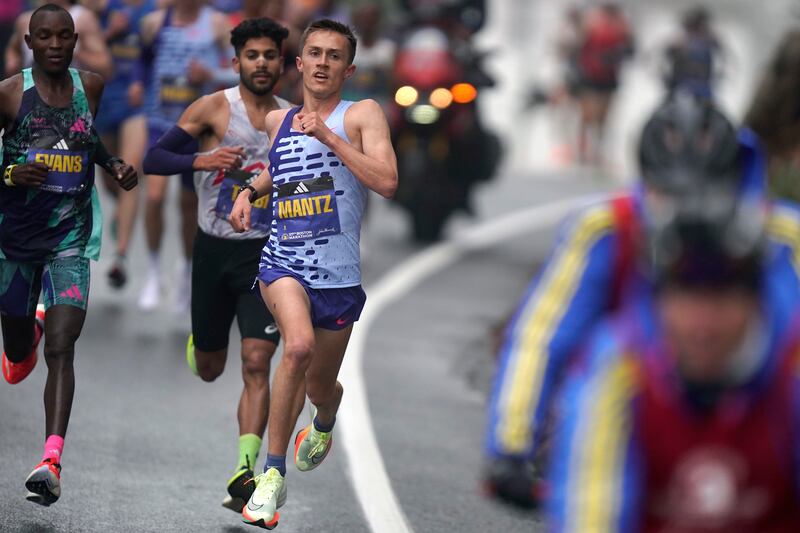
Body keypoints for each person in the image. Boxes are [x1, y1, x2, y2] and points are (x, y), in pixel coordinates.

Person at [482, 93, 800, 509]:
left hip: (757, 423)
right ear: (645, 180)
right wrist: (512, 445)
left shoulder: (782, 235)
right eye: (665, 194)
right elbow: (541, 338)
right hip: (632, 414)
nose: (683, 213)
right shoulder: (604, 228)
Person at [547, 174, 800, 531]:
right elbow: (589, 512)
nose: (702, 324)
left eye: (723, 296)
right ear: (656, 298)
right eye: (685, 295)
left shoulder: (792, 368)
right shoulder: (618, 366)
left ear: (757, 299)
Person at [228, 18, 398, 529]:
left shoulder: (362, 115)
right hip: (283, 264)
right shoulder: (278, 123)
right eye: (315, 53)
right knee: (295, 348)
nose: (323, 63)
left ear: (349, 68)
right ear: (299, 64)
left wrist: (329, 135)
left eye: (334, 55)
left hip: (339, 280)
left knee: (321, 385)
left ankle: (325, 415)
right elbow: (279, 172)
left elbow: (386, 181)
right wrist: (247, 191)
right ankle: (272, 477)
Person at [142, 16, 299, 513]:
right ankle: (202, 341)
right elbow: (154, 159)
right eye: (252, 56)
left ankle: (245, 470)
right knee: (211, 368)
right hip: (212, 250)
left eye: (269, 56)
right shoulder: (213, 109)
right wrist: (200, 161)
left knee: (257, 362)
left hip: (265, 254)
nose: (260, 64)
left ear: (282, 64)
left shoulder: (292, 119)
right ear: (237, 63)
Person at [0, 3, 137, 506]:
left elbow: (83, 137)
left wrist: (114, 164)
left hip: (70, 239)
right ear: (29, 43)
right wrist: (11, 174)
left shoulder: (90, 88)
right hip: (14, 241)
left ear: (75, 41)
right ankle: (24, 333)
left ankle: (51, 460)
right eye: (45, 38)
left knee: (63, 346)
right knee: (17, 355)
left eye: (64, 37)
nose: (55, 45)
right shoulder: (11, 94)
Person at [137, 0, 237, 313]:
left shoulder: (218, 24)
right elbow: (143, 60)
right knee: (153, 197)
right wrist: (138, 84)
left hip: (197, 126)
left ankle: (185, 270)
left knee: (188, 204)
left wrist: (211, 72)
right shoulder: (154, 22)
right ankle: (154, 272)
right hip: (159, 121)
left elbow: (239, 69)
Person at [95, 0, 156, 288]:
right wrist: (109, 31)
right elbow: (83, 42)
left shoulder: (153, 11)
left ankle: (120, 255)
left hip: (138, 103)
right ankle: (122, 212)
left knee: (128, 171)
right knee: (109, 181)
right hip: (105, 100)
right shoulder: (102, 8)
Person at [574, 1, 633, 165]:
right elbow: (580, 48)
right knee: (587, 116)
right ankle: (583, 151)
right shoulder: (593, 25)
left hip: (608, 78)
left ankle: (597, 152)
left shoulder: (622, 28)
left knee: (603, 118)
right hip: (591, 76)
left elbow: (630, 50)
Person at [5, 0, 113, 80]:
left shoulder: (83, 18)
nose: (54, 44)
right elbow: (13, 49)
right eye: (44, 36)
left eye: (64, 36)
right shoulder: (25, 19)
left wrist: (72, 50)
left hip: (71, 93)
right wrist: (12, 62)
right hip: (32, 94)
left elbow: (105, 67)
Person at [663, 5, 725, 100]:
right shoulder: (680, 42)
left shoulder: (710, 41)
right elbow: (665, 56)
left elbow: (724, 62)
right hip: (679, 89)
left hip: (702, 91)